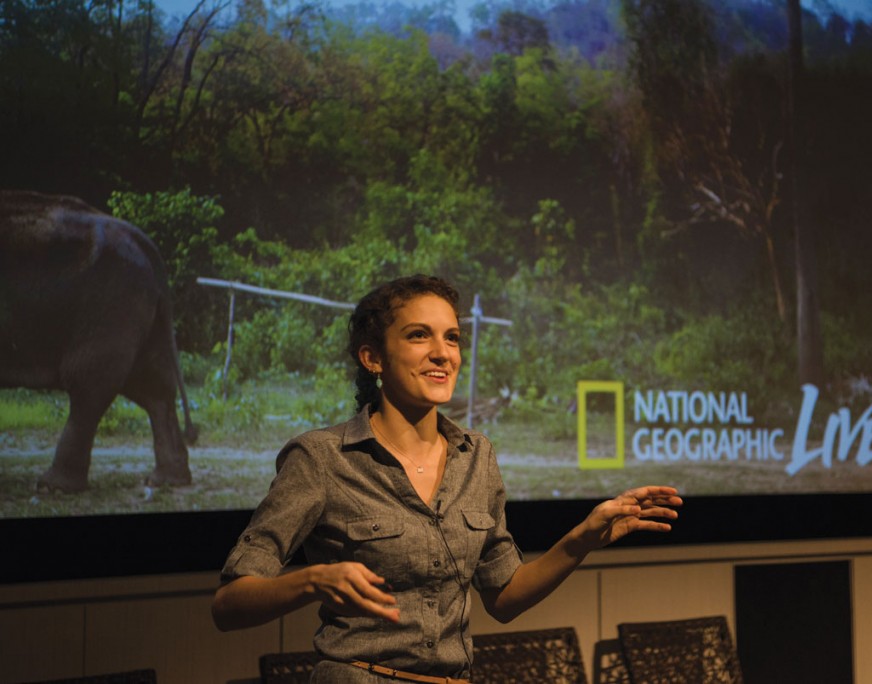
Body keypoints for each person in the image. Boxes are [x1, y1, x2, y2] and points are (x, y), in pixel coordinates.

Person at [211, 274, 682, 683]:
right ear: (373, 358)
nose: (442, 354)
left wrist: (581, 539)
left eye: (452, 338)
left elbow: (503, 596)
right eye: (420, 336)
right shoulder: (322, 458)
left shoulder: (476, 457)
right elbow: (229, 604)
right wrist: (314, 580)